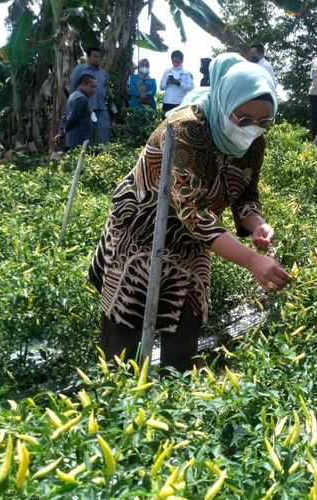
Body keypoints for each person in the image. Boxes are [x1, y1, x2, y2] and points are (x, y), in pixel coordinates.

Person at [89, 53, 290, 371]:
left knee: (186, 329)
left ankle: (174, 409)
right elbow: (193, 211)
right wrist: (253, 261)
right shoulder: (186, 129)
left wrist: (258, 224)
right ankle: (116, 406)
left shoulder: (253, 142)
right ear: (225, 101)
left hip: (192, 243)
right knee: (124, 335)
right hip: (141, 233)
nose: (253, 129)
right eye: (245, 119)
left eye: (264, 122)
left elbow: (244, 196)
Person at [70, 47, 111, 143]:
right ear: (88, 57)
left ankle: (104, 153)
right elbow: (73, 87)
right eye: (94, 56)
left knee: (105, 127)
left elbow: (106, 88)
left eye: (98, 57)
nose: (97, 59)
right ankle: (88, 153)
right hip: (85, 106)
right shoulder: (80, 70)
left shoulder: (103, 73)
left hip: (101, 106)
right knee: (87, 131)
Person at [57, 74, 96, 150]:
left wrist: (61, 131)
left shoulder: (73, 96)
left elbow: (65, 116)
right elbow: (73, 118)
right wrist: (64, 130)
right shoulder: (81, 98)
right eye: (92, 86)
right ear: (83, 85)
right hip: (80, 142)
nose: (94, 90)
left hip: (72, 141)